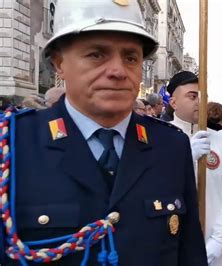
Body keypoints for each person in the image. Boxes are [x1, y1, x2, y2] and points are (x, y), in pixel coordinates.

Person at [0, 1, 207, 265]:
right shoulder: (13, 143)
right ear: (59, 63)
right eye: (97, 54)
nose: (118, 71)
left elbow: (189, 253)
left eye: (131, 57)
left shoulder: (171, 146)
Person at [168, 71, 222, 266]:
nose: (199, 102)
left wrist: (219, 241)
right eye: (192, 96)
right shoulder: (158, 140)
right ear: (173, 102)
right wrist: (185, 159)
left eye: (203, 97)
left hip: (216, 246)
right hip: (172, 246)